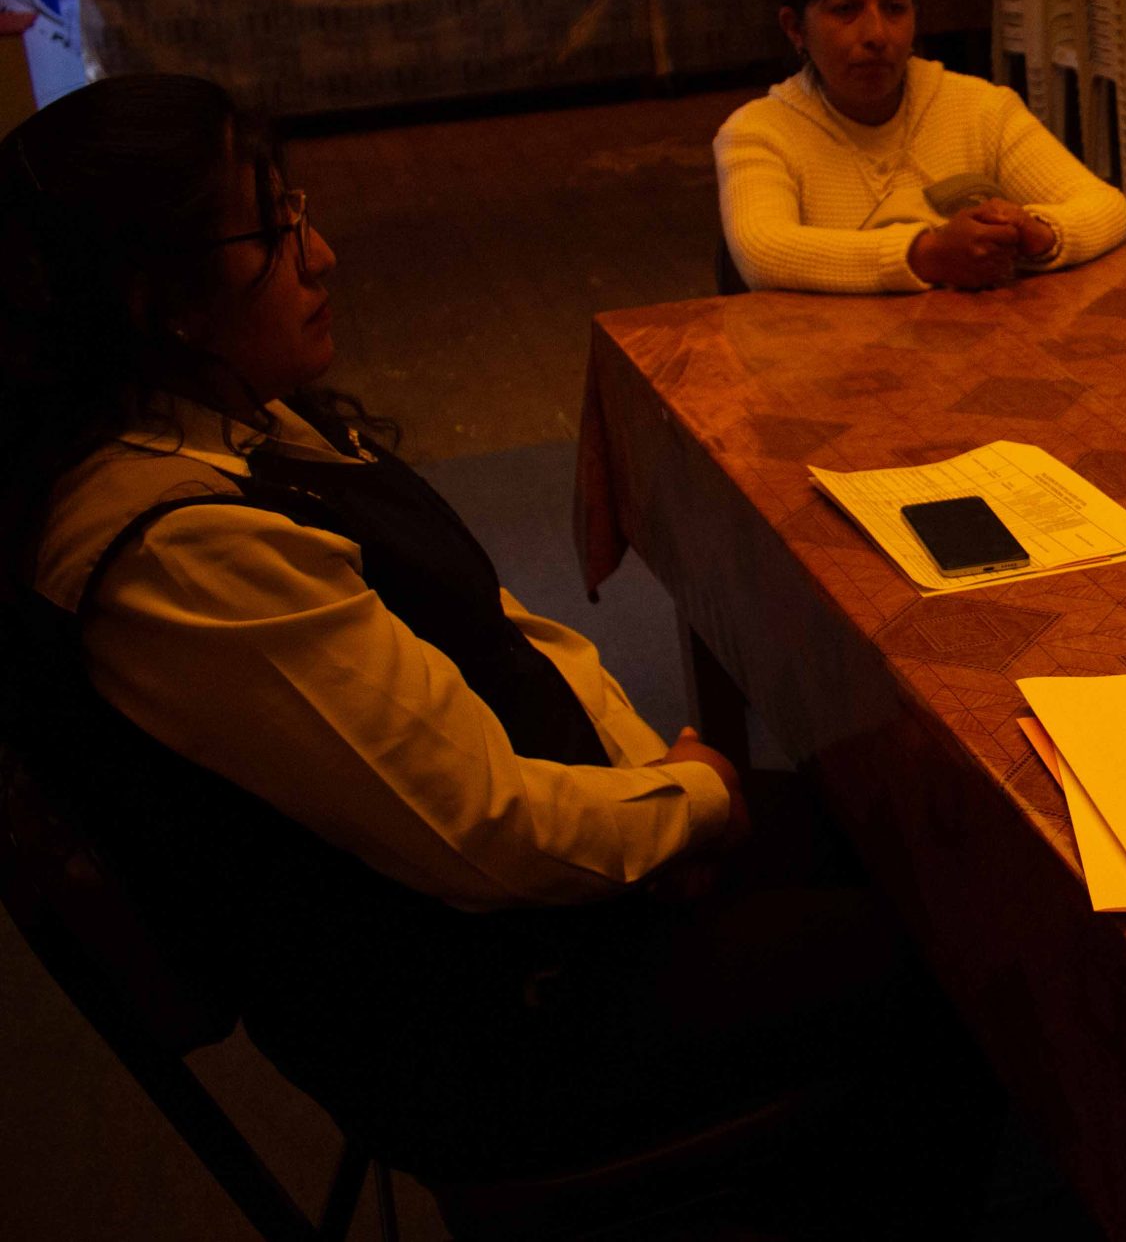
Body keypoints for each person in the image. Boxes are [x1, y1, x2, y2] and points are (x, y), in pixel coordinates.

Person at [0, 75, 993, 1188]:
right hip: (495, 1019)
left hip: (540, 893)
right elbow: (482, 832)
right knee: (958, 950)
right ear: (157, 300)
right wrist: (692, 808)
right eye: (273, 233)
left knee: (912, 833)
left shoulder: (221, 417)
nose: (321, 256)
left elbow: (497, 623)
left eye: (298, 211)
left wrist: (652, 785)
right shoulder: (177, 550)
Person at [716, 0, 1126, 293]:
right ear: (795, 28)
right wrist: (927, 254)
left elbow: (1110, 208)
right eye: (846, 9)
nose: (877, 34)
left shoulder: (979, 108)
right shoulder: (760, 131)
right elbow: (763, 251)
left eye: (894, 8)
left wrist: (1036, 232)